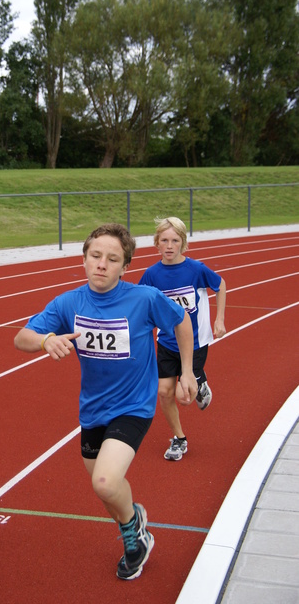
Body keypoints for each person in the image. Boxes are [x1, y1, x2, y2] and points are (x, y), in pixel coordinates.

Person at [14, 223, 197, 580]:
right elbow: (22, 337)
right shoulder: (68, 302)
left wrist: (187, 372)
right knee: (108, 494)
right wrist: (45, 340)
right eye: (95, 256)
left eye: (112, 259)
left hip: (134, 406)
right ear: (84, 259)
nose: (102, 264)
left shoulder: (143, 298)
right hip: (93, 409)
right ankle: (134, 523)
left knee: (105, 483)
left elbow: (181, 322)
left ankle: (134, 539)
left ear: (124, 266)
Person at [139, 216, 226, 461]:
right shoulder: (151, 275)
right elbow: (141, 304)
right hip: (166, 343)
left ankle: (200, 379)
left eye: (174, 240)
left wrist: (219, 320)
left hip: (195, 343)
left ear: (182, 243)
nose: (169, 245)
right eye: (164, 240)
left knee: (183, 397)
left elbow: (221, 285)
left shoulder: (195, 269)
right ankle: (179, 439)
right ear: (156, 243)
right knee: (164, 393)